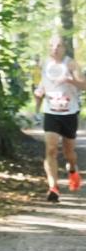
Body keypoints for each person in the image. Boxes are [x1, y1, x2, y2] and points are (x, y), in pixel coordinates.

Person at [33, 34, 85, 202]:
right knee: (51, 149)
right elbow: (41, 85)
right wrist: (37, 101)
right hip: (51, 112)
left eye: (59, 46)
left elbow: (84, 85)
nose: (55, 49)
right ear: (48, 48)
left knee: (69, 152)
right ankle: (53, 188)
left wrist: (70, 80)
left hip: (69, 112)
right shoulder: (43, 64)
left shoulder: (71, 63)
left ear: (64, 48)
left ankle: (73, 170)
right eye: (52, 46)